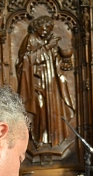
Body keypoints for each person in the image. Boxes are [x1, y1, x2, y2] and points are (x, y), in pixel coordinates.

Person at [16, 15, 75, 148]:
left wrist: (57, 54)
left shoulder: (46, 42)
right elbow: (25, 60)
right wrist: (47, 47)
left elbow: (54, 63)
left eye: (49, 29)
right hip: (36, 83)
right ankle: (39, 139)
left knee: (53, 110)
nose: (46, 30)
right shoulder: (30, 39)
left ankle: (53, 139)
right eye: (45, 27)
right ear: (37, 25)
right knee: (40, 109)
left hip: (50, 82)